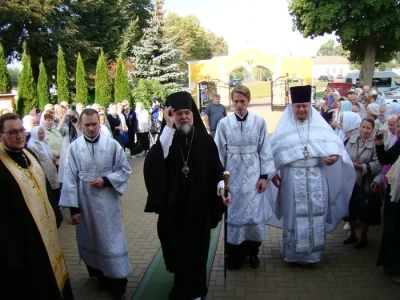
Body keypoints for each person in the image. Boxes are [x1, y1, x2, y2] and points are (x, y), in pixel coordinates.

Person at [143, 91, 231, 300]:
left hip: (199, 208)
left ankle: (197, 290)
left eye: (187, 113)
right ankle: (181, 285)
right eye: (178, 113)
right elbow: (154, 165)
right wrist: (167, 126)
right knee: (178, 250)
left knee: (198, 251)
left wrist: (221, 187)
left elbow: (217, 169)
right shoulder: (166, 139)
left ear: (193, 114)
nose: (183, 117)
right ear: (170, 114)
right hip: (174, 210)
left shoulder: (204, 140)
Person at [269, 85, 356, 265]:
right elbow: (272, 153)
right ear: (292, 108)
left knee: (315, 213)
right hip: (291, 179)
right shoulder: (283, 129)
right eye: (298, 106)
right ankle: (292, 253)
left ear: (310, 107)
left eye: (305, 106)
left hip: (316, 178)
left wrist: (333, 156)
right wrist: (271, 173)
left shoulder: (321, 127)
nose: (301, 109)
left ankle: (312, 255)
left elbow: (336, 147)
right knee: (293, 215)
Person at [59, 108, 132, 300]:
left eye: (94, 124)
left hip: (107, 203)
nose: (91, 128)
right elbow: (69, 178)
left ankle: (118, 281)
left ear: (99, 123)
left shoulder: (112, 145)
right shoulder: (74, 148)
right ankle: (100, 275)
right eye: (87, 125)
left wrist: (106, 180)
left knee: (111, 241)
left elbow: (125, 170)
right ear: (81, 125)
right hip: (85, 203)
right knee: (90, 238)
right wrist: (73, 209)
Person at [0, 113, 74, 299]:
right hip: (23, 238)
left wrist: (55, 214)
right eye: (12, 133)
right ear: (1, 135)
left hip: (45, 231)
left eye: (21, 131)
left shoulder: (29, 154)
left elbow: (45, 186)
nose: (19, 136)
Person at [214, 85, 276, 270]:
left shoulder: (259, 122)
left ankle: (252, 253)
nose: (239, 105)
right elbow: (218, 154)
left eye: (242, 101)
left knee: (252, 217)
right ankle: (235, 255)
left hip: (253, 179)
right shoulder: (224, 124)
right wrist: (222, 183)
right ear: (231, 101)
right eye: (235, 101)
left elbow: (265, 150)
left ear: (248, 101)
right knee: (234, 218)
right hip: (231, 178)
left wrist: (264, 176)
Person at [342, 118, 382, 249]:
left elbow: (379, 164)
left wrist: (364, 167)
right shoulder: (352, 140)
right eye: (363, 127)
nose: (365, 130)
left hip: (366, 182)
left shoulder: (376, 144)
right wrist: (348, 163)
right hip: (350, 181)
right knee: (350, 209)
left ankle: (363, 237)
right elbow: (343, 155)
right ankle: (352, 233)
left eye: (368, 128)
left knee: (365, 211)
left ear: (373, 130)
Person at [374, 116, 400, 282]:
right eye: (398, 126)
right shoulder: (398, 143)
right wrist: (379, 145)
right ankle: (393, 267)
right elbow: (385, 159)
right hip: (395, 195)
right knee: (394, 231)